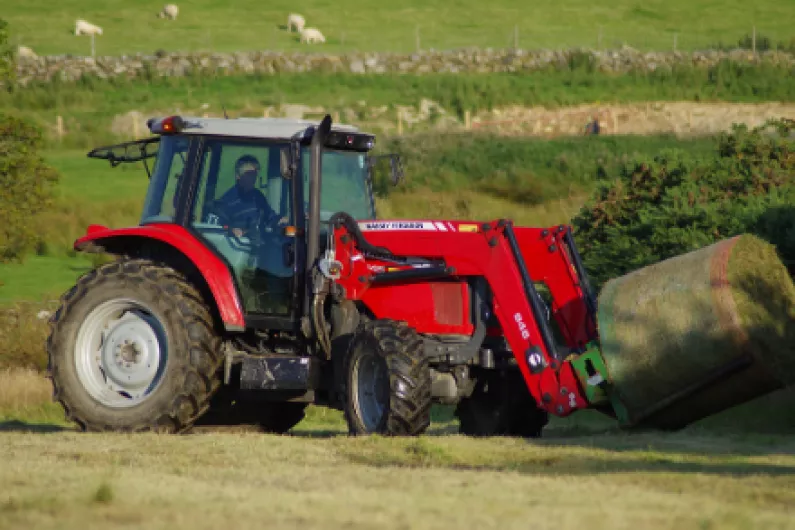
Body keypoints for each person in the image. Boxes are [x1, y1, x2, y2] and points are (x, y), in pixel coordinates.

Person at [210, 154, 287, 238]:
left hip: (260, 245)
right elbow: (218, 227)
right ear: (238, 176)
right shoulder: (227, 201)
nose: (253, 178)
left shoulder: (258, 197)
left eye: (255, 174)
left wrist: (279, 220)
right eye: (249, 174)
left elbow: (270, 217)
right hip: (237, 247)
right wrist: (231, 230)